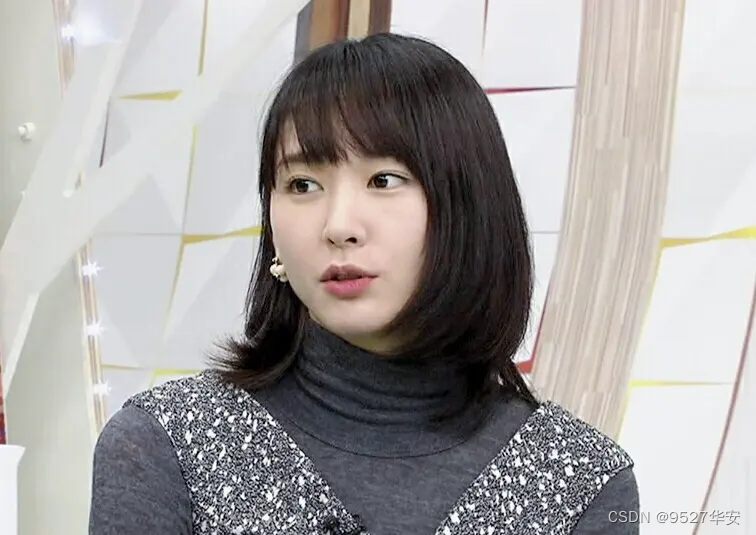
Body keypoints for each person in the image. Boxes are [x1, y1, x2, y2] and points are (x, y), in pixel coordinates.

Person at [89, 33, 639, 535]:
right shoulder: (168, 446)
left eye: (384, 179)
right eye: (302, 185)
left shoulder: (578, 481)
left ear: (469, 207)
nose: (338, 226)